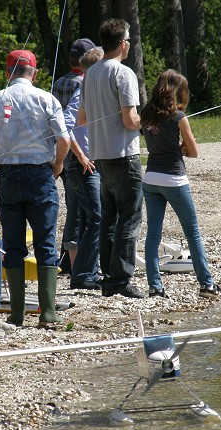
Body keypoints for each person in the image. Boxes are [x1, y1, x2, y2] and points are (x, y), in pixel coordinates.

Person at [0, 49, 70, 328]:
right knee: (45, 241)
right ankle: (48, 313)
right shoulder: (47, 98)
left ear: (8, 72)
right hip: (40, 175)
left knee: (13, 243)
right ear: (35, 72)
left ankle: (17, 314)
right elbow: (64, 140)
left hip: (8, 176)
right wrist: (57, 166)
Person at [140, 70, 221, 300]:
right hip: (174, 179)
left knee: (153, 236)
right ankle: (206, 285)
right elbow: (194, 152)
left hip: (150, 179)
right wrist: (182, 149)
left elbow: (158, 142)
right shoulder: (179, 117)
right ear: (178, 92)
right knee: (193, 233)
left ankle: (155, 288)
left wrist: (176, 147)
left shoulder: (146, 113)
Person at [79, 19, 145, 299]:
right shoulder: (123, 73)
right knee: (129, 218)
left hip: (100, 157)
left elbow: (82, 119)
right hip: (123, 155)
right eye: (128, 40)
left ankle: (108, 277)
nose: (129, 44)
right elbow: (130, 121)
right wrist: (151, 120)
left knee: (108, 219)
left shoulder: (90, 73)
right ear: (122, 44)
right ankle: (120, 279)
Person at [52, 38, 96, 278]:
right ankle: (76, 263)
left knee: (72, 207)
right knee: (82, 211)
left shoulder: (59, 82)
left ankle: (66, 261)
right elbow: (72, 122)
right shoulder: (84, 83)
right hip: (79, 153)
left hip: (62, 152)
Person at [63, 47, 103, 290]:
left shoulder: (92, 90)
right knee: (95, 217)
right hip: (83, 166)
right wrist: (81, 156)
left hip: (91, 163)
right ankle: (81, 274)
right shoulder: (83, 91)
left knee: (91, 217)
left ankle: (87, 271)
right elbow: (65, 125)